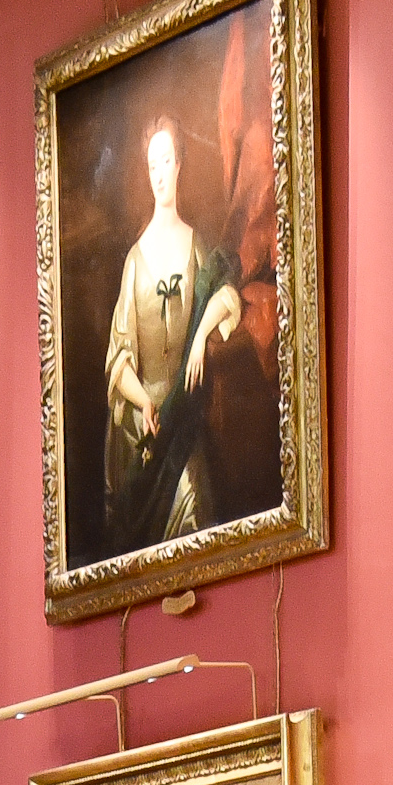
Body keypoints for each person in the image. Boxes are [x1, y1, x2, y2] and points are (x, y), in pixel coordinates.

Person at [101, 121, 248, 552]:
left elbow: (224, 295)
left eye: (167, 161)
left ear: (180, 164)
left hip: (183, 417)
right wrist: (145, 401)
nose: (160, 174)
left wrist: (200, 334)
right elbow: (118, 360)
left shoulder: (194, 244)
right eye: (152, 165)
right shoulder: (135, 260)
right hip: (145, 430)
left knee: (199, 509)